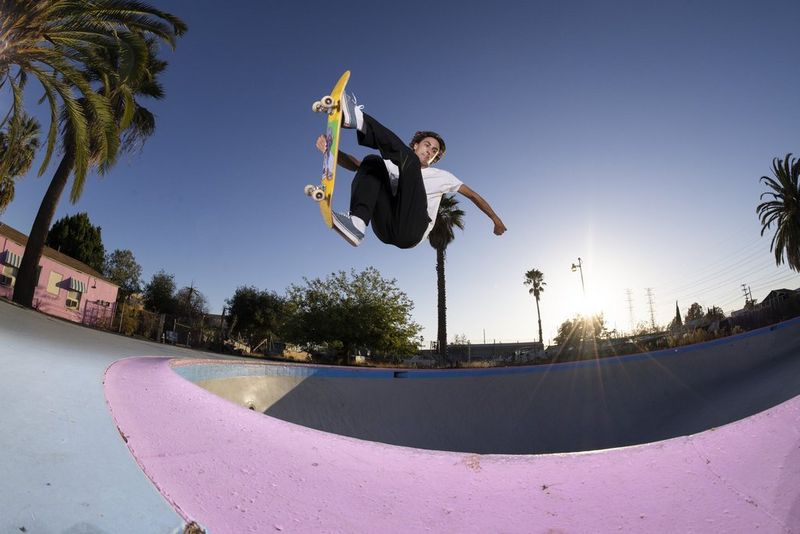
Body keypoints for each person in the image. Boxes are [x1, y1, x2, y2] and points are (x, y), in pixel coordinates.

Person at [316, 90, 507, 248]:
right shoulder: (395, 164)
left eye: (434, 151)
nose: (429, 151)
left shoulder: (442, 177)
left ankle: (359, 120)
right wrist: (332, 152)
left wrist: (495, 220)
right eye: (427, 145)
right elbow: (357, 166)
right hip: (385, 228)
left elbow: (473, 195)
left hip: (412, 230)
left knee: (411, 164)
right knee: (372, 161)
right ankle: (357, 223)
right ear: (415, 145)